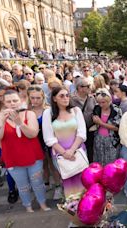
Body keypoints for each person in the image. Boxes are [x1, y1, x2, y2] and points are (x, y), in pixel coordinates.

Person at [0, 90, 50, 212]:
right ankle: (27, 206)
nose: (12, 103)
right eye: (9, 101)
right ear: (4, 103)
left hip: (33, 156)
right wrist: (2, 121)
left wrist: (20, 123)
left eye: (15, 100)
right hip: (13, 157)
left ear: (21, 101)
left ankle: (42, 203)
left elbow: (33, 134)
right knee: (22, 185)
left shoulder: (30, 114)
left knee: (38, 182)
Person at [42, 87, 87, 227]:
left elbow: (82, 133)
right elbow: (49, 139)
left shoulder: (76, 111)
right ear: (54, 98)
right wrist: (64, 153)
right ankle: (74, 219)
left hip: (78, 154)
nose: (65, 98)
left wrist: (72, 151)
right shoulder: (48, 114)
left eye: (67, 95)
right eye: (61, 96)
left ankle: (88, 213)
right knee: (69, 189)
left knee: (84, 185)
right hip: (61, 157)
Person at [27, 86, 62, 200]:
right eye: (32, 98)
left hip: (48, 139)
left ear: (43, 97)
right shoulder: (27, 111)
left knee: (53, 165)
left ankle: (58, 186)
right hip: (35, 141)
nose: (35, 100)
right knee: (42, 165)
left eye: (38, 98)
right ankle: (46, 183)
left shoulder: (49, 110)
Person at [92, 88, 122, 165]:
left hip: (111, 140)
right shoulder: (97, 108)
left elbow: (117, 127)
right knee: (99, 161)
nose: (101, 105)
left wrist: (101, 123)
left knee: (111, 163)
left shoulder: (116, 110)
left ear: (109, 101)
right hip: (99, 139)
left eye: (103, 102)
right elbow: (94, 119)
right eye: (99, 102)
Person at [70, 78, 96, 162]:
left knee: (90, 152)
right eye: (88, 86)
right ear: (80, 88)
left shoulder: (92, 98)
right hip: (76, 132)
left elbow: (95, 111)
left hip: (90, 130)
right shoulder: (71, 100)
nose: (90, 88)